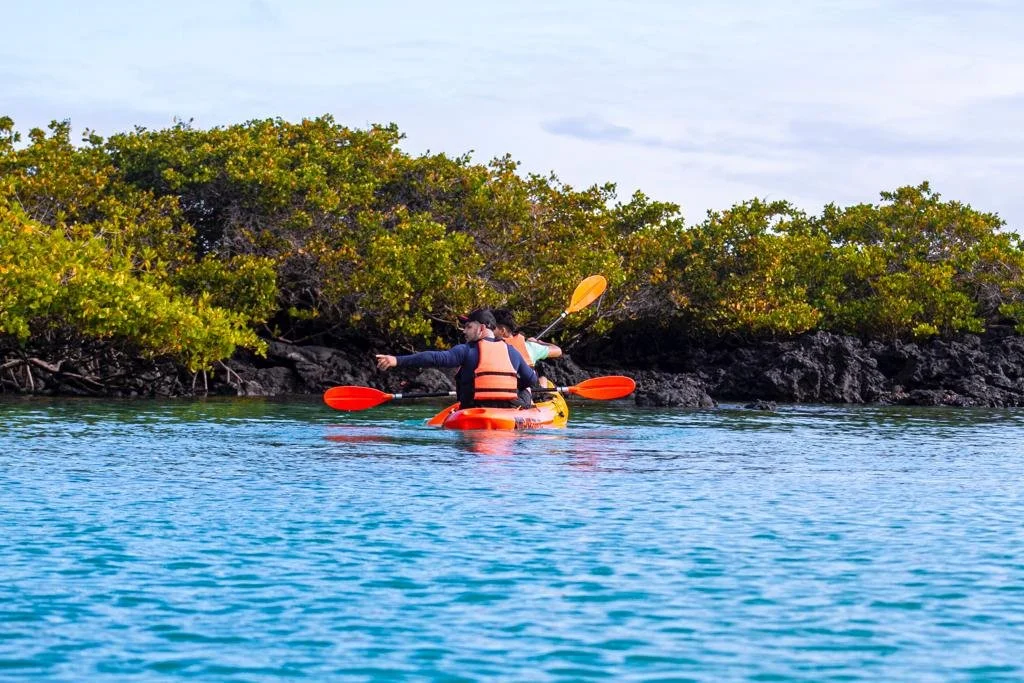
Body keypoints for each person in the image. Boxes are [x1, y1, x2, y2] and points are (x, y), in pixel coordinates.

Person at [375, 308, 537, 409]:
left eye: (468, 327)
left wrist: (397, 360)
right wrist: (515, 385)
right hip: (506, 410)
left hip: (472, 409)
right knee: (526, 387)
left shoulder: (465, 351)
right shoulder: (512, 352)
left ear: (481, 328)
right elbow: (530, 379)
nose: (464, 331)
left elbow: (433, 358)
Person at [492, 309, 562, 367]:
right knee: (543, 379)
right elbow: (558, 350)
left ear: (502, 330)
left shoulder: (490, 347)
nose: (488, 330)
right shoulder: (531, 347)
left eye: (492, 328)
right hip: (523, 382)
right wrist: (538, 342)